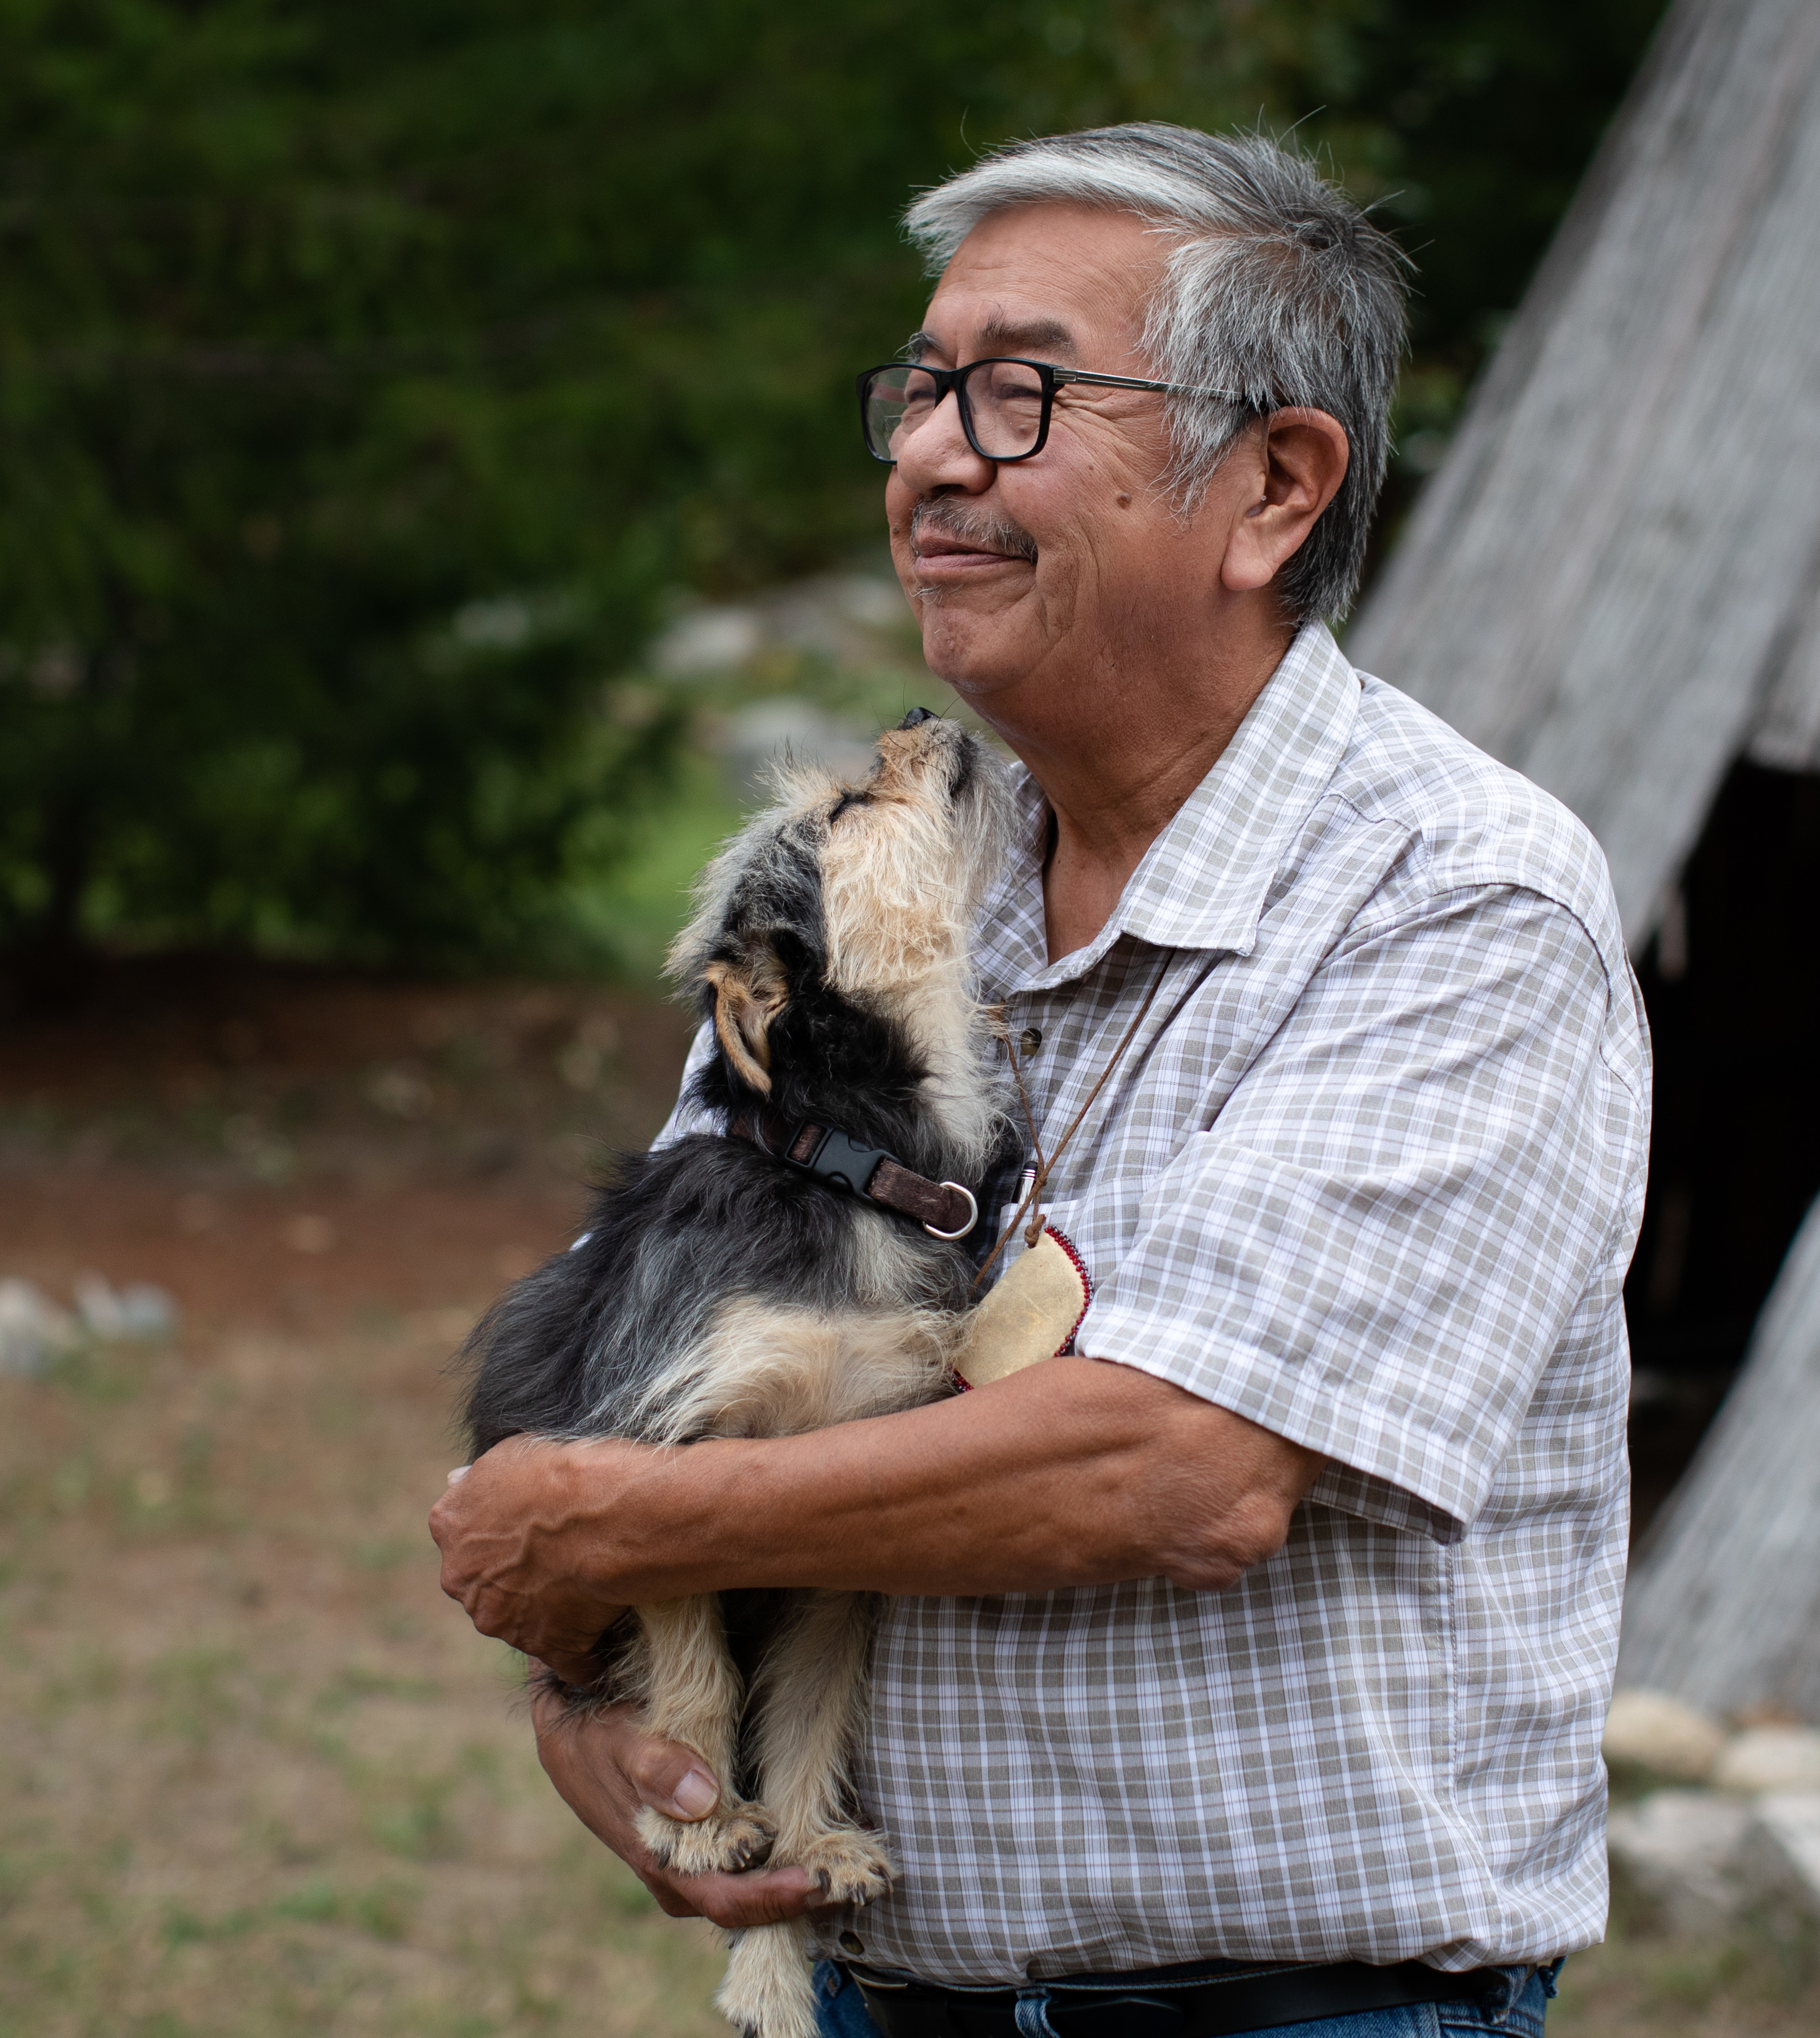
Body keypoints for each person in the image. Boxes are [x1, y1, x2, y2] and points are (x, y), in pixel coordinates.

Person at [432, 122, 1647, 2038]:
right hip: (874, 1994)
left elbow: (1180, 1467)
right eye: (919, 394)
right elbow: (636, 1340)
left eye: (1018, 397)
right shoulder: (888, 882)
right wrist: (591, 1688)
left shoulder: (1455, 901)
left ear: (1271, 485)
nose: (925, 456)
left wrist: (624, 1525)